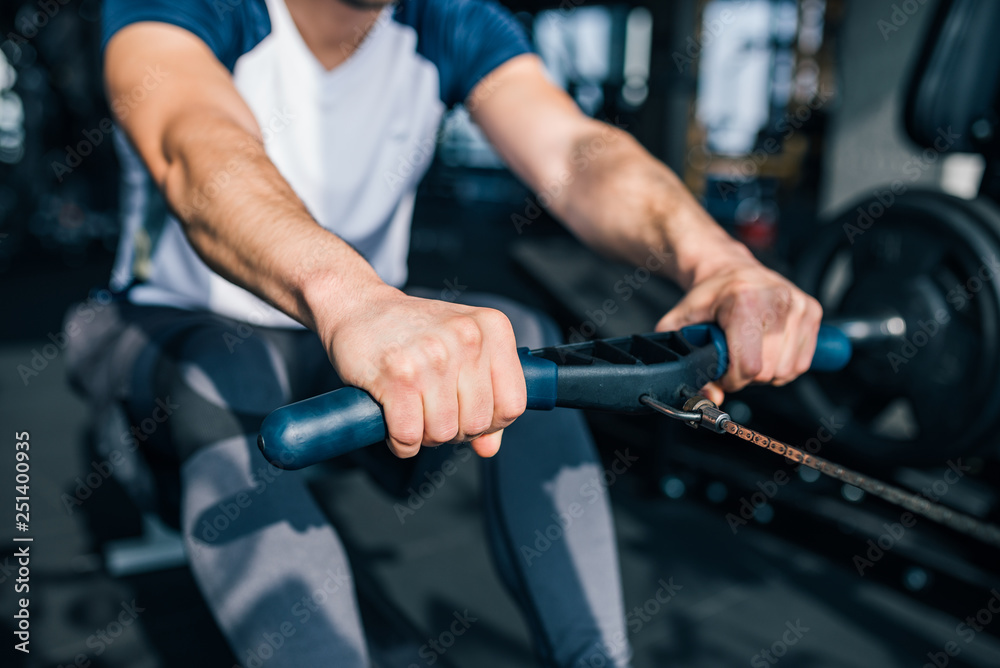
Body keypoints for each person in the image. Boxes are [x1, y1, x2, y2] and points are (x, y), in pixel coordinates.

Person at [66, 0, 823, 666]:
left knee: (518, 336)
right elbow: (193, 145)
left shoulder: (444, 19)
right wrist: (352, 298)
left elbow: (575, 153)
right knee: (224, 373)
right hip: (174, 325)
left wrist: (719, 261)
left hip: (347, 341)